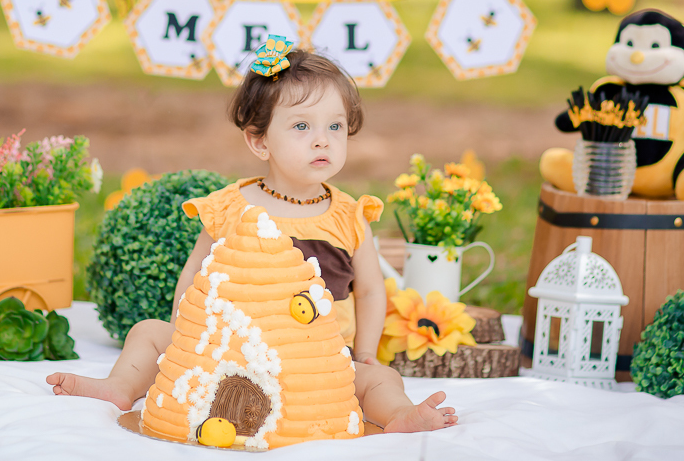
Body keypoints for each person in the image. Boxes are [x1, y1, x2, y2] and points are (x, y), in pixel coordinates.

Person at [47, 37, 457, 434]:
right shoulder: (231, 206)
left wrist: (364, 352)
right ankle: (119, 389)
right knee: (148, 333)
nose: (322, 139)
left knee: (378, 378)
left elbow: (369, 290)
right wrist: (183, 331)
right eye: (301, 126)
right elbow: (194, 273)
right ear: (259, 141)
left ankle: (400, 415)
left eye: (335, 126)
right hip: (227, 348)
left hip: (317, 361)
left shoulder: (348, 216)